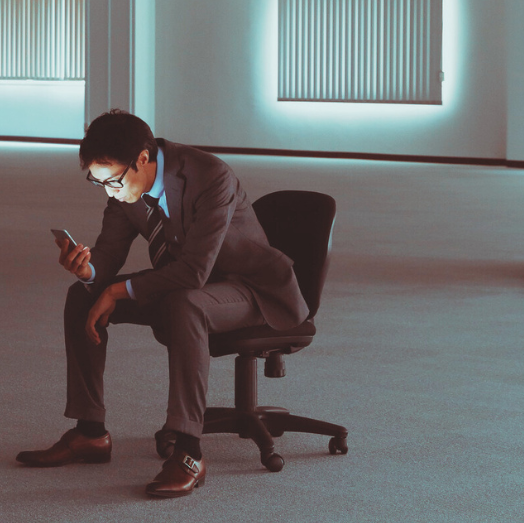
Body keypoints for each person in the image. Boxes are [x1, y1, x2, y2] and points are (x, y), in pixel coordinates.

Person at [16, 110, 309, 498]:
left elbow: (193, 274)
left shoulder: (211, 176)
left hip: (251, 290)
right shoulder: (123, 189)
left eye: (113, 180)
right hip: (183, 290)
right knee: (82, 296)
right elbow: (110, 254)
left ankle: (189, 452)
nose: (109, 191)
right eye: (97, 181)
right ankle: (90, 432)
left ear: (142, 158)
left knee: (187, 303)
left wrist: (117, 292)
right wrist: (88, 271)